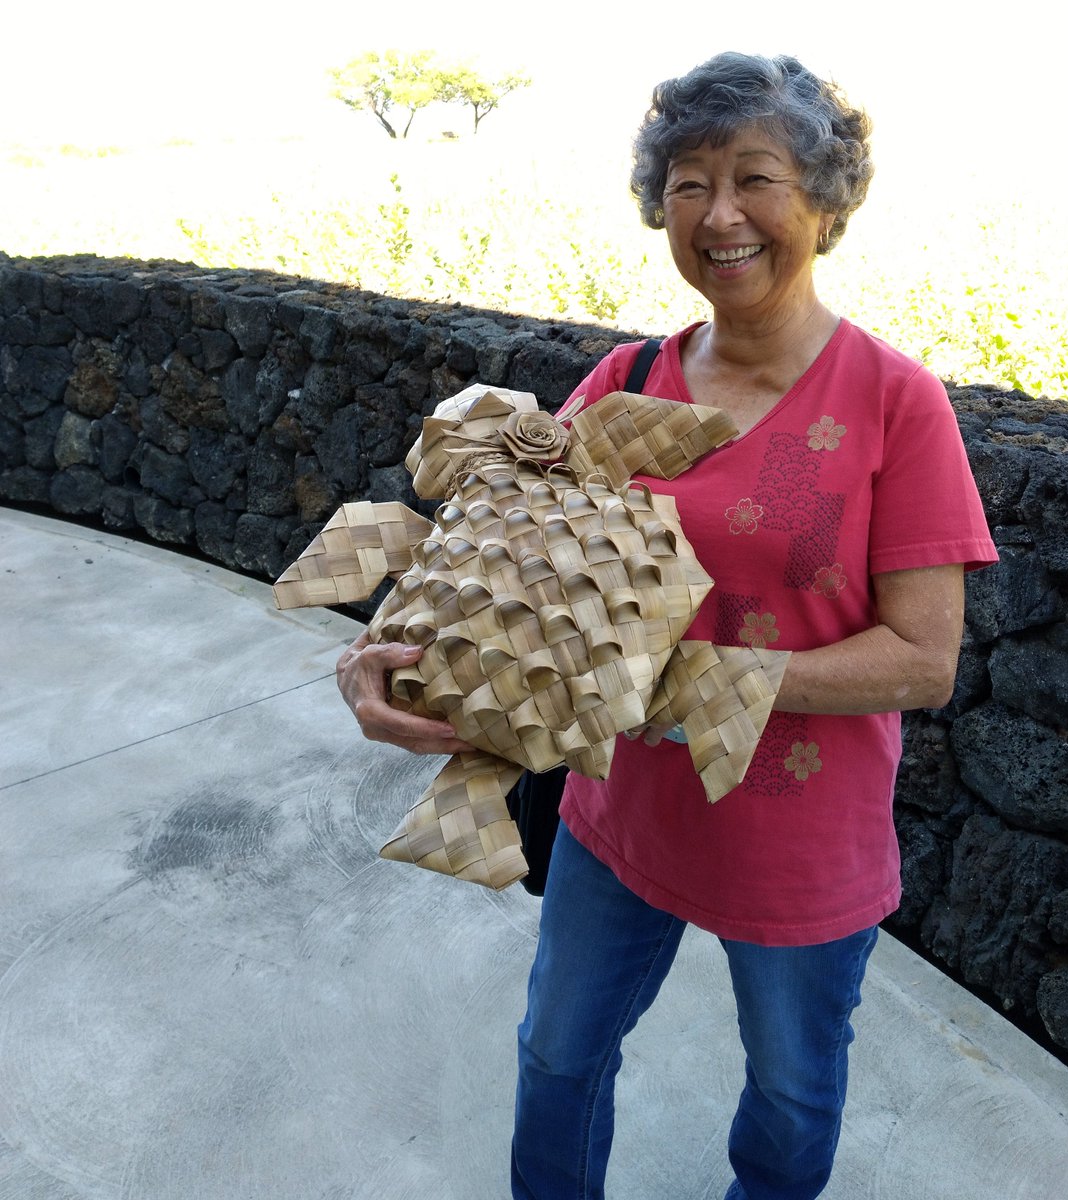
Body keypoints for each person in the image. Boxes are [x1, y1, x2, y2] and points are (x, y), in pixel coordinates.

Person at [336, 50, 998, 1200]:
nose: (721, 213)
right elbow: (507, 565)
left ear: (824, 199)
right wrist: (388, 658)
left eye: (756, 178)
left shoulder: (897, 403)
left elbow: (923, 658)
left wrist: (691, 678)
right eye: (690, 183)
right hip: (621, 822)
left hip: (800, 840)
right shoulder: (626, 379)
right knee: (557, 1057)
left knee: (790, 1100)